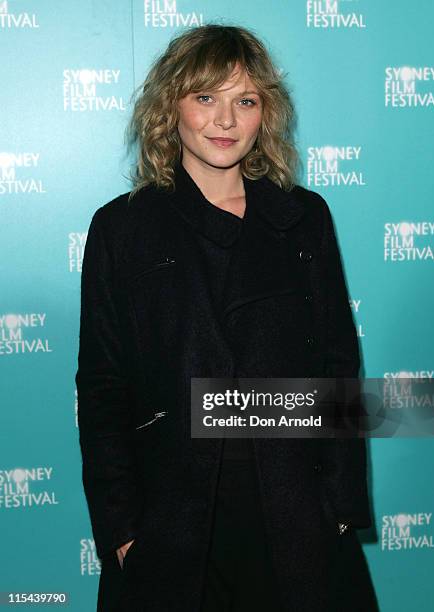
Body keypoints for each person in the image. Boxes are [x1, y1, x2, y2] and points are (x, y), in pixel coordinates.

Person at [75, 23, 379, 612]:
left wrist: (339, 510)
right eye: (205, 97)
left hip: (293, 513)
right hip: (174, 518)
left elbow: (339, 369)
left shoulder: (304, 218)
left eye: (245, 101)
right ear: (172, 108)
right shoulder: (122, 229)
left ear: (265, 113)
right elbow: (103, 390)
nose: (225, 121)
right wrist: (123, 533)